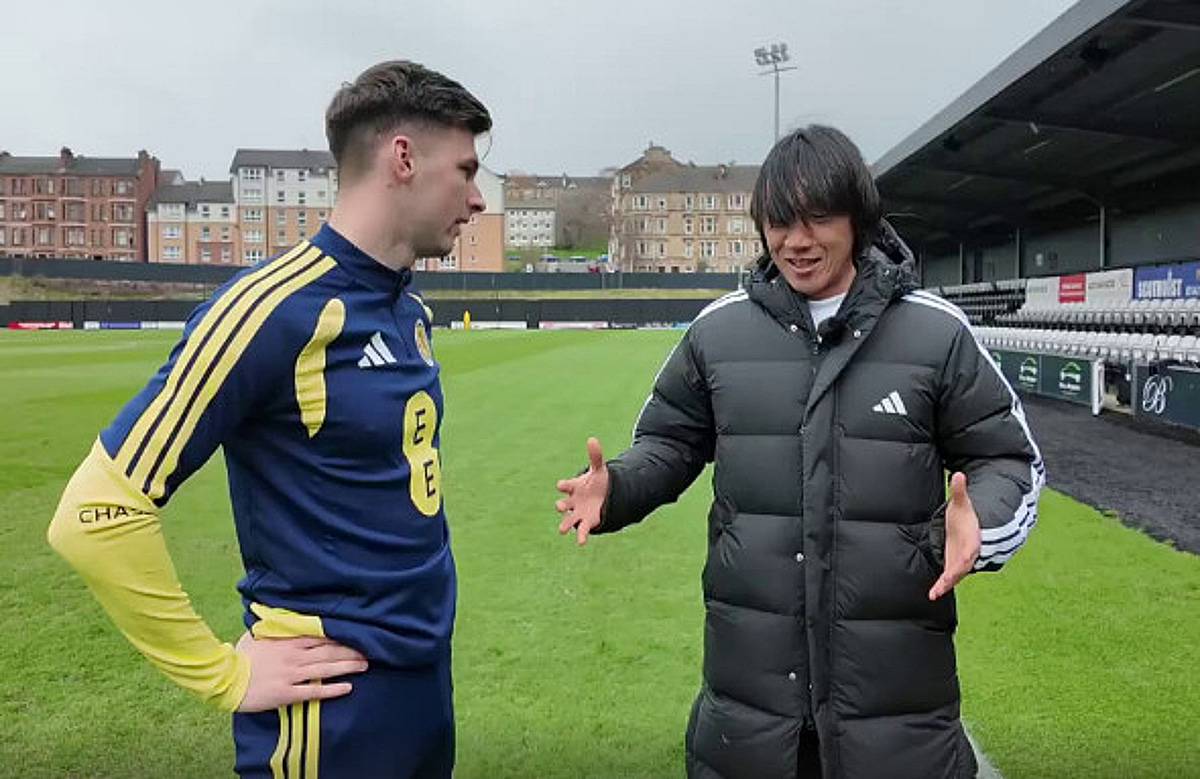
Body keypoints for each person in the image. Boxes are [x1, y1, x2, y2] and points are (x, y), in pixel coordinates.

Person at [555, 125, 1043, 779]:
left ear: (859, 217)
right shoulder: (718, 331)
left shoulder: (934, 331)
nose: (797, 240)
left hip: (898, 722)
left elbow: (1009, 458)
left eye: (818, 218)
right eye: (780, 221)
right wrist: (616, 487)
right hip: (748, 718)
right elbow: (668, 444)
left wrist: (981, 519)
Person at [48, 60, 490, 778]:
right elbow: (97, 511)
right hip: (329, 710)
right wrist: (223, 674)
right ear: (403, 157)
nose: (476, 198)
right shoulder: (268, 309)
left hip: (421, 686)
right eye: (465, 169)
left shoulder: (407, 309)